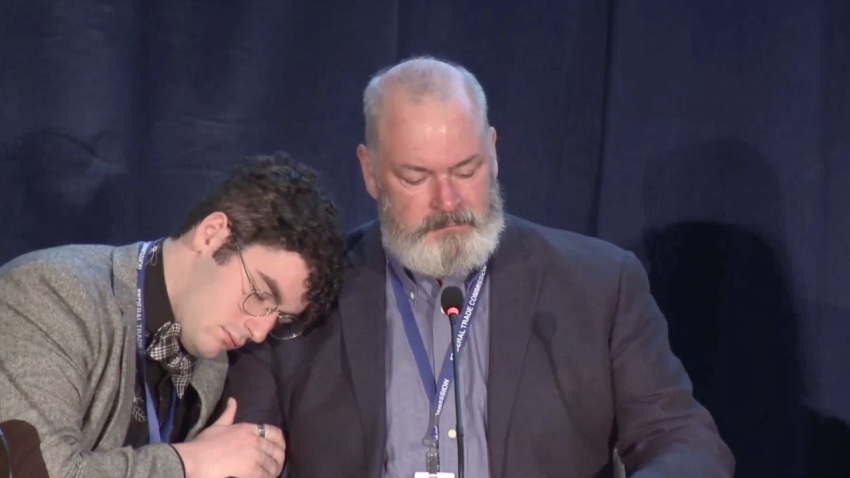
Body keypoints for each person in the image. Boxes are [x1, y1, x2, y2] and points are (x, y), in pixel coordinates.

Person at [224, 58, 736, 477]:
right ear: (370, 172)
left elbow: (684, 441)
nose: (449, 201)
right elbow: (240, 450)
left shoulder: (599, 286)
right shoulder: (306, 292)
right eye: (416, 176)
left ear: (493, 151)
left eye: (466, 170)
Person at [0, 151, 347, 478]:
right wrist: (192, 461)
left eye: (280, 318)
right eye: (259, 295)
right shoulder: (52, 291)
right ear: (211, 235)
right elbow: (33, 472)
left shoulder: (212, 366)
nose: (259, 332)